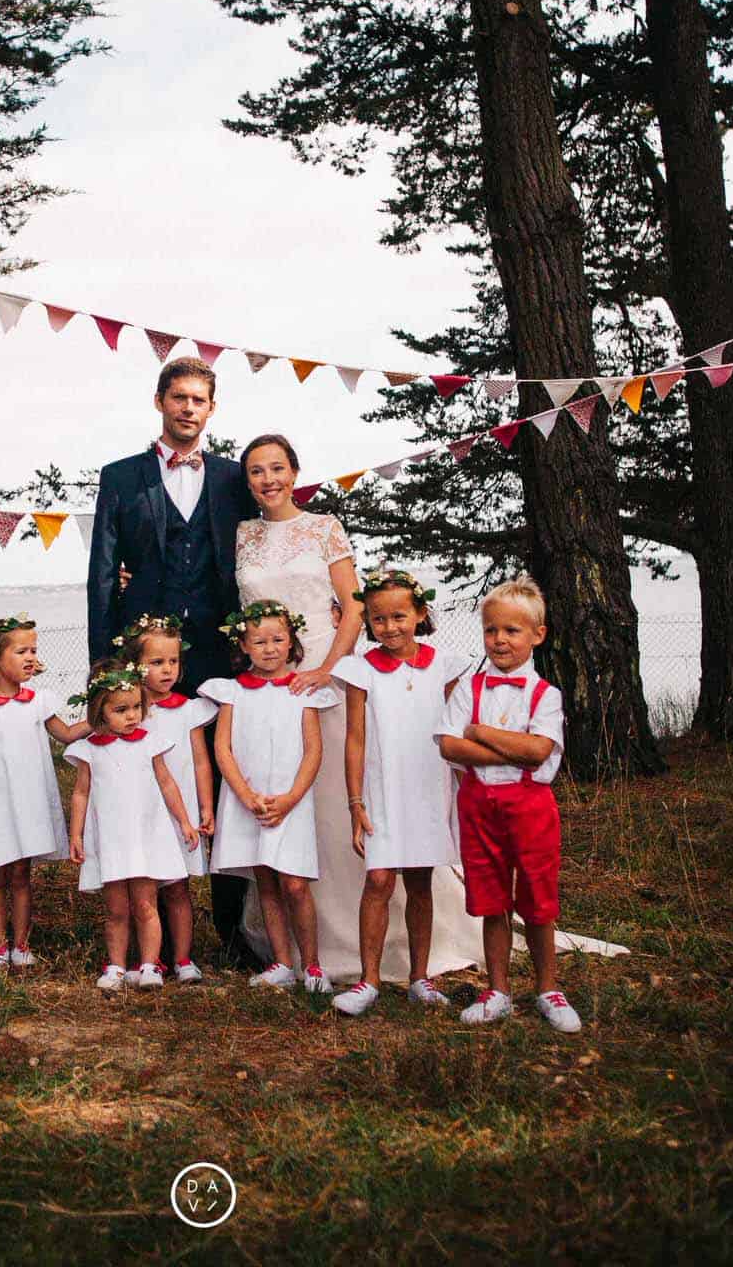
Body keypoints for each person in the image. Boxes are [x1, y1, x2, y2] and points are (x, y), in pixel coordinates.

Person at [233, 432, 489, 980]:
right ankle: (299, 943)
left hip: (322, 670)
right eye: (256, 471)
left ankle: (366, 936)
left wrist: (328, 668)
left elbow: (352, 609)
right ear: (247, 481)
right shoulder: (242, 534)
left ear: (295, 472)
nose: (269, 479)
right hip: (268, 679)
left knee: (334, 793)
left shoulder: (324, 527)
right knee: (284, 788)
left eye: (277, 467)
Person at [87, 356, 256, 955]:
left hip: (218, 654)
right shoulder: (120, 476)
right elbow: (103, 571)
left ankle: (234, 929)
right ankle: (151, 932)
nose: (188, 408)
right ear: (160, 401)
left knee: (226, 780)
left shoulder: (234, 478)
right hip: (144, 656)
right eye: (179, 397)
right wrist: (103, 665)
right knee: (144, 778)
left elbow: (257, 556)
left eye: (199, 400)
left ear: (212, 409)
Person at [436, 574, 582, 1033]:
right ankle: (497, 990)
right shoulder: (469, 689)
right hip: (478, 804)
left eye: (512, 630)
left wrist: (480, 732)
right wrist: (509, 747)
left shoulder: (546, 695)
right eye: (491, 630)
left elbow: (538, 751)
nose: (499, 640)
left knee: (537, 897)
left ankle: (547, 988)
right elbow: (449, 745)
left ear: (538, 635)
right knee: (491, 897)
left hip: (530, 807)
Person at [330, 570, 469, 1016]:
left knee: (420, 881)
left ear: (420, 613)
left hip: (428, 785)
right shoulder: (360, 669)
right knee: (378, 880)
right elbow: (355, 739)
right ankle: (369, 979)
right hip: (382, 787)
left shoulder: (444, 665)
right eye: (378, 619)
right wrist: (355, 802)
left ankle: (419, 978)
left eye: (399, 617)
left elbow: (456, 729)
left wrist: (464, 789)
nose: (389, 627)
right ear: (368, 622)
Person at [200, 601, 338, 994]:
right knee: (266, 881)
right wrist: (244, 795)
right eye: (259, 641)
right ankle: (281, 963)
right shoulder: (232, 692)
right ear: (243, 645)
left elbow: (313, 751)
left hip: (289, 801)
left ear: (291, 641)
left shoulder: (302, 692)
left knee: (294, 883)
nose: (270, 648)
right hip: (250, 801)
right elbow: (223, 748)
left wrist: (292, 798)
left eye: (278, 639)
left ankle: (312, 965)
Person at [0, 612, 90, 974]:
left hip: (29, 801)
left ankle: (22, 945)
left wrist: (103, 714)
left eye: (33, 651)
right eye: (21, 651)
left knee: (23, 874)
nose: (30, 658)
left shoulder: (39, 702)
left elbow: (67, 734)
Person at [65, 659, 200, 993]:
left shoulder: (150, 742)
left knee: (145, 904)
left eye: (137, 707)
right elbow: (81, 793)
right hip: (111, 839)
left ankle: (150, 965)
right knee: (116, 909)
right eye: (121, 710)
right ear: (100, 710)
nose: (131, 716)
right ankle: (116, 965)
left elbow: (167, 784)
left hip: (145, 836)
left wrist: (184, 821)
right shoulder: (88, 751)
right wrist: (76, 834)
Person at [115, 613, 216, 983]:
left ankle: (184, 959)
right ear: (135, 665)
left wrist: (205, 806)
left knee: (177, 888)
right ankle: (148, 958)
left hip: (180, 810)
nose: (167, 669)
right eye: (156, 662)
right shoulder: (130, 714)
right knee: (141, 890)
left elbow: (201, 762)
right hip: (141, 811)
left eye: (173, 661)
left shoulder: (189, 710)